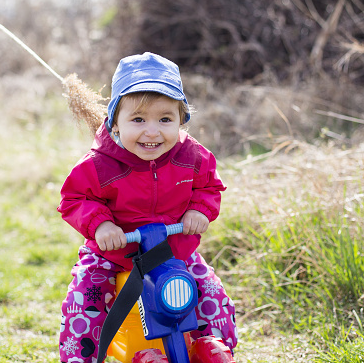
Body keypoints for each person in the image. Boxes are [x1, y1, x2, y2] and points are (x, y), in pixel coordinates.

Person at [57, 52, 238, 362]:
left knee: (209, 289)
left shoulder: (191, 156)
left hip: (173, 249)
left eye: (165, 119)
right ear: (115, 121)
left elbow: (209, 186)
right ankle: (80, 356)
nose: (152, 131)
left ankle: (212, 346)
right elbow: (75, 199)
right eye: (138, 119)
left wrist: (199, 210)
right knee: (85, 296)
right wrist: (101, 225)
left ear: (182, 120)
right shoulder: (100, 164)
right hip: (114, 253)